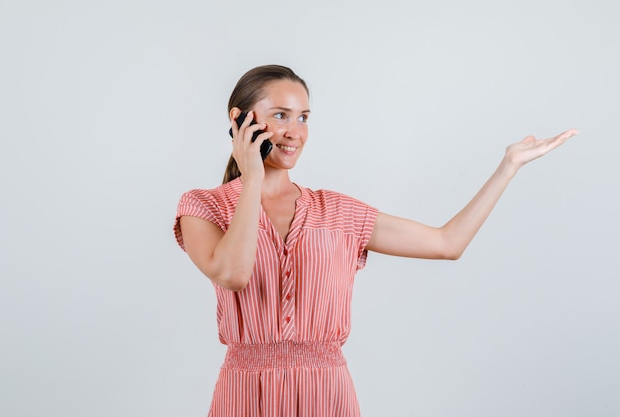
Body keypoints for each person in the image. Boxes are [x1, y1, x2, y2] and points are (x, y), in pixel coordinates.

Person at [173, 64, 578, 417]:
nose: (295, 132)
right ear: (240, 119)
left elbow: (446, 243)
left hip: (325, 394)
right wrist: (253, 180)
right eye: (281, 115)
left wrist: (507, 167)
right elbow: (233, 273)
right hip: (246, 395)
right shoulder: (203, 206)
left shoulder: (339, 212)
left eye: (303, 117)